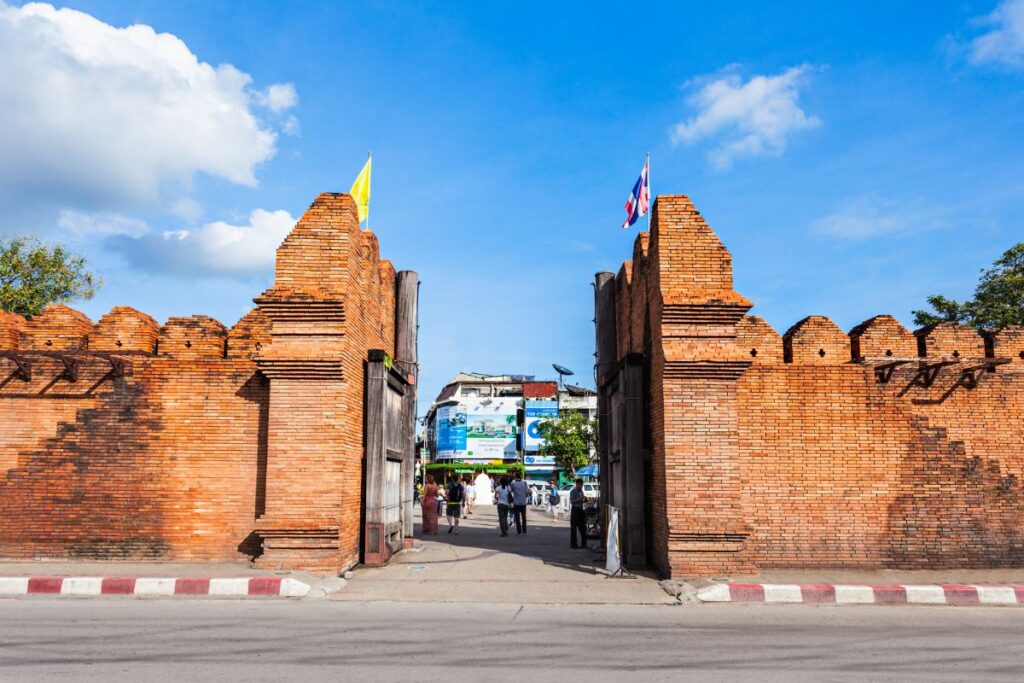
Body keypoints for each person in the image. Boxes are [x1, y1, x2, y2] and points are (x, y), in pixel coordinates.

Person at [569, 477, 587, 549]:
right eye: (580, 485)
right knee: (574, 528)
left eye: (582, 485)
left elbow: (581, 501)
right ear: (576, 484)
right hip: (575, 510)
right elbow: (572, 501)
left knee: (582, 528)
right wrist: (580, 499)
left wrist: (584, 500)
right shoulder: (573, 491)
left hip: (580, 510)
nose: (581, 486)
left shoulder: (581, 491)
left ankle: (584, 544)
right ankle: (573, 544)